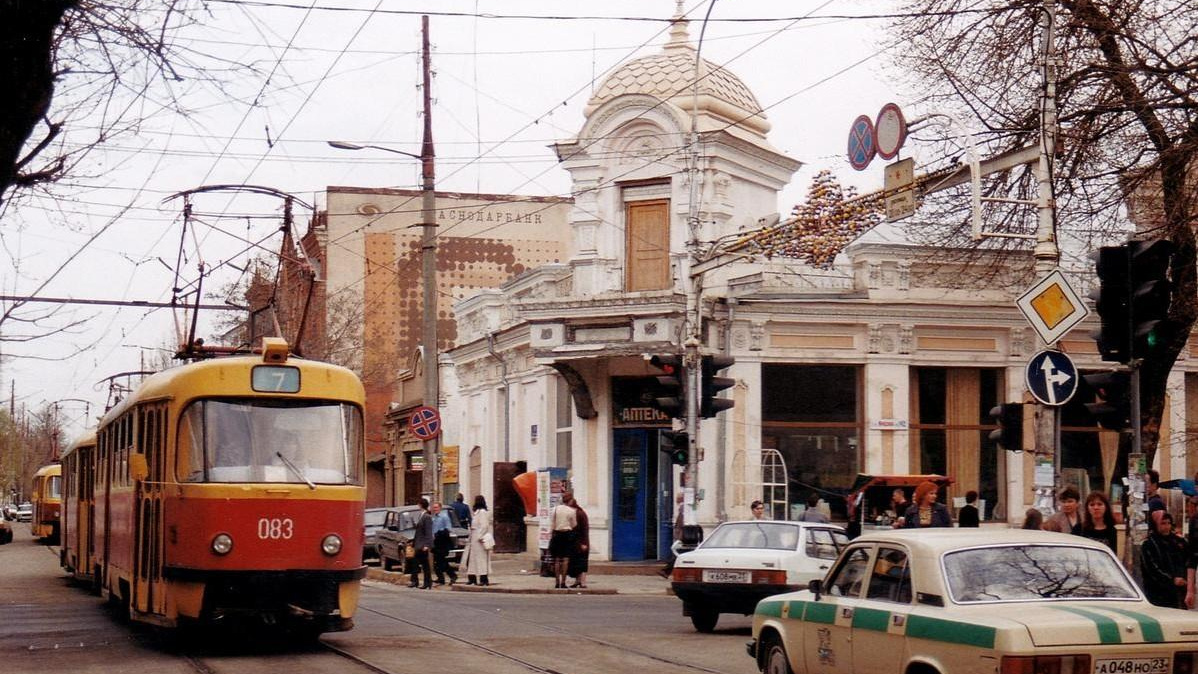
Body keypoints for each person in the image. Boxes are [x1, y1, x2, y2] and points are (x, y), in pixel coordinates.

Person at [1142, 510, 1187, 609]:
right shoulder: (1149, 544)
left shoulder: (1177, 541)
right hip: (1158, 593)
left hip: (1178, 590)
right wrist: (1171, 579)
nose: (1167, 527)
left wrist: (1182, 577)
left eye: (1168, 523)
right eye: (1163, 523)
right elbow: (1152, 568)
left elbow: (1186, 559)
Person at [460, 494, 492, 586]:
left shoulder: (482, 512)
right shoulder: (477, 512)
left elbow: (484, 526)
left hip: (478, 540)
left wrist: (480, 536)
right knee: (472, 559)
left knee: (480, 560)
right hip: (473, 539)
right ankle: (472, 578)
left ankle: (483, 579)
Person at [550, 491, 578, 589]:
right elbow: (574, 525)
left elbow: (552, 523)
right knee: (566, 559)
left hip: (557, 534)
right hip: (567, 534)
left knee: (557, 559)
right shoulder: (571, 511)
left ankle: (557, 582)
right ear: (570, 500)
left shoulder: (555, 509)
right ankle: (563, 582)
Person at [430, 501, 458, 586]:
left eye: (436, 507)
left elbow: (448, 528)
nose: (435, 509)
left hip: (442, 541)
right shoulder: (434, 517)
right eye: (434, 508)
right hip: (435, 541)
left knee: (442, 561)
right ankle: (440, 578)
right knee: (436, 561)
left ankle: (453, 575)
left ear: (440, 508)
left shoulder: (444, 517)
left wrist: (438, 534)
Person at [408, 497, 434, 589]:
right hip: (419, 544)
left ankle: (421, 582)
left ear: (421, 505)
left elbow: (428, 532)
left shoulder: (426, 516)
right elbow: (419, 531)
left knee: (420, 563)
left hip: (422, 545)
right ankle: (423, 582)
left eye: (419, 504)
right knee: (421, 563)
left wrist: (427, 545)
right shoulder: (421, 515)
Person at [567, 493, 590, 589]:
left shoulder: (580, 513)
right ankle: (577, 581)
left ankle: (583, 582)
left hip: (582, 541)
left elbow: (584, 529)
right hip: (576, 542)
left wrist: (584, 543)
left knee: (582, 562)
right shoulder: (574, 513)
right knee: (576, 561)